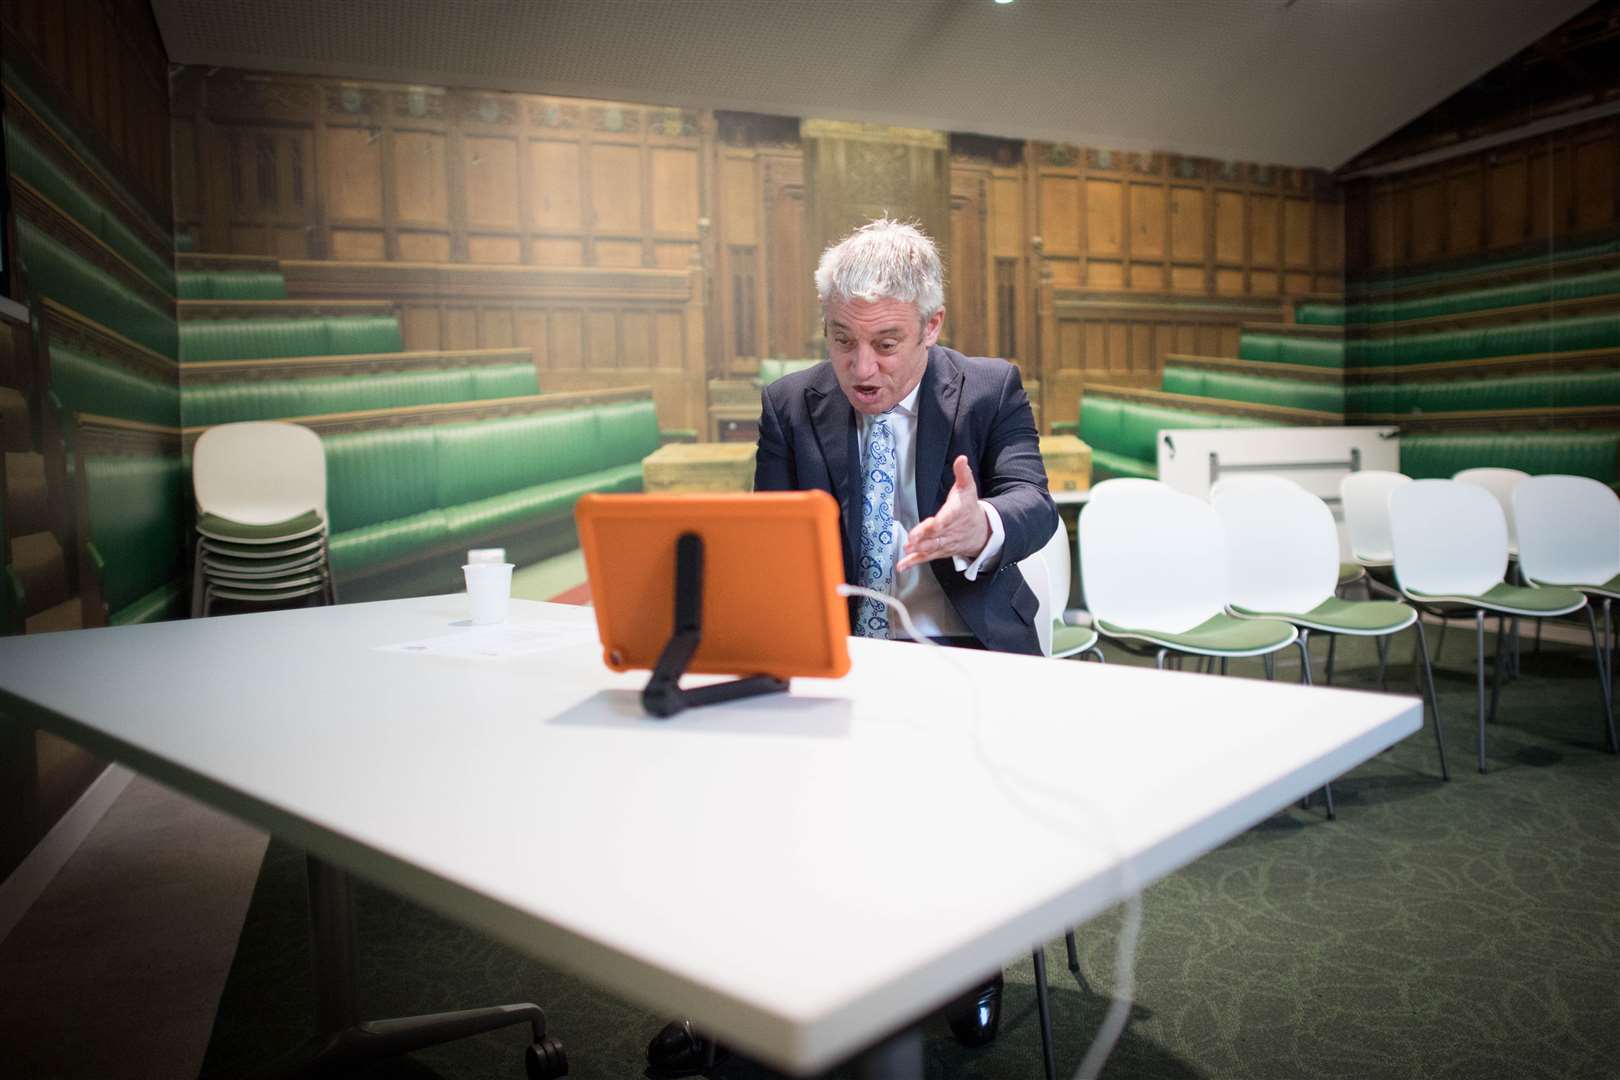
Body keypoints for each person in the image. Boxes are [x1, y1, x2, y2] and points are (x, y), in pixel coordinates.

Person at [646, 218, 1057, 1075]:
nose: (862, 369)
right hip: (838, 657)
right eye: (842, 341)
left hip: (962, 654)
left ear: (932, 328)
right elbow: (768, 542)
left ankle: (967, 965)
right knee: (743, 793)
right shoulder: (790, 403)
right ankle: (763, 995)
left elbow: (1033, 499)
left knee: (945, 806)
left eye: (886, 344)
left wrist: (982, 522)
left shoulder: (988, 389)